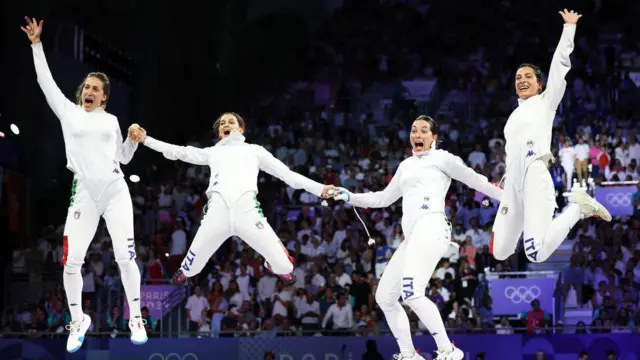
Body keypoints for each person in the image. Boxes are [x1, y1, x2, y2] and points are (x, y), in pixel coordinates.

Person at [22, 17, 147, 352]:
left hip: (115, 191)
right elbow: (44, 81)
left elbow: (122, 158)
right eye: (87, 87)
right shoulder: (68, 112)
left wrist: (134, 141)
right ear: (82, 93)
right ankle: (77, 321)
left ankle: (136, 316)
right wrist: (37, 45)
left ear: (104, 97)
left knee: (124, 256)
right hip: (84, 195)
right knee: (71, 261)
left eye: (96, 89)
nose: (90, 91)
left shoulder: (112, 121)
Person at [332, 116, 502, 360]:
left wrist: (503, 196)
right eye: (414, 130)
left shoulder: (443, 158)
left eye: (424, 130)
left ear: (434, 137)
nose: (417, 135)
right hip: (412, 237)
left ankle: (448, 350)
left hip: (432, 225)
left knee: (412, 293)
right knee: (385, 297)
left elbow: (474, 180)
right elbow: (381, 199)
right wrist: (349, 196)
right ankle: (409, 354)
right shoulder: (405, 166)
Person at [128, 113, 335, 285]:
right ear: (219, 133)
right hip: (217, 213)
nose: (226, 124)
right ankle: (185, 271)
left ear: (241, 129)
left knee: (285, 267)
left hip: (248, 212)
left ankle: (274, 265)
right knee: (191, 269)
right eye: (223, 123)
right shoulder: (212, 153)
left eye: (231, 121)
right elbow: (179, 152)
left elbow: (288, 175)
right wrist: (146, 140)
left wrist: (320, 189)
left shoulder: (255, 151)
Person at [490, 9, 611, 264]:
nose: (522, 80)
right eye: (518, 78)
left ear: (540, 84)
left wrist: (569, 28)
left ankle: (578, 209)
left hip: (535, 176)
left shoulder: (545, 103)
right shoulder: (513, 117)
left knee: (535, 254)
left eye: (528, 77)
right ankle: (526, 217)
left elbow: (558, 67)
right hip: (513, 184)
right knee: (499, 252)